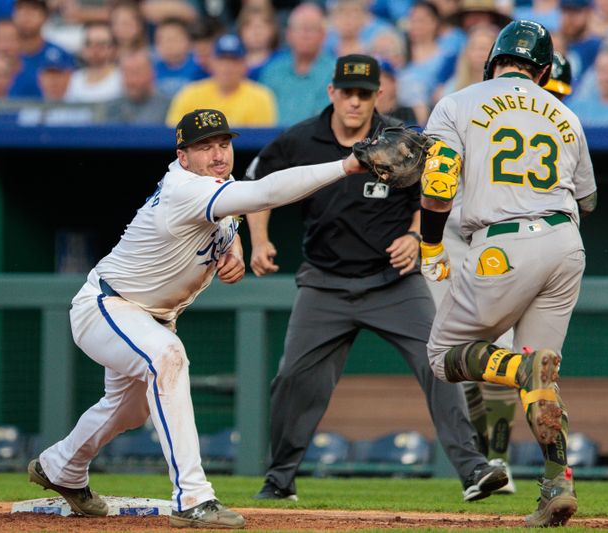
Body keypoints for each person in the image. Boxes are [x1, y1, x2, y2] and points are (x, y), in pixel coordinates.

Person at [28, 107, 370, 529]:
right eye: (204, 146)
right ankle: (193, 497)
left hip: (149, 316)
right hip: (108, 306)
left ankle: (61, 466)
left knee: (129, 411)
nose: (217, 153)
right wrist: (347, 164)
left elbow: (231, 220)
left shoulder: (217, 186)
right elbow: (263, 194)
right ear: (182, 155)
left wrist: (235, 253)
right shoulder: (184, 187)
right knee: (168, 357)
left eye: (223, 144)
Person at [246, 53, 500, 504]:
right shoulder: (300, 139)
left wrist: (415, 234)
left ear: (377, 95)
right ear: (332, 92)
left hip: (393, 282)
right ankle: (279, 479)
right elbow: (258, 188)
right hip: (325, 283)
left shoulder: (398, 138)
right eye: (347, 92)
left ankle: (474, 468)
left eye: (364, 94)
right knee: (292, 379)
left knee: (439, 363)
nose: (355, 101)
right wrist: (259, 241)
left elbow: (436, 192)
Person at [419, 20, 597, 527]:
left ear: (492, 59)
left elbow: (436, 184)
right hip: (566, 244)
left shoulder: (457, 102)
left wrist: (432, 242)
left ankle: (520, 369)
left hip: (503, 243)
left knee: (441, 357)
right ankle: (558, 485)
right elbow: (589, 198)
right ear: (542, 69)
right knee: (543, 370)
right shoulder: (566, 114)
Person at [166, 33, 277, 127]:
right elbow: (174, 135)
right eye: (222, 60)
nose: (227, 67)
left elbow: (262, 141)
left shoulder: (260, 97)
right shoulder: (190, 94)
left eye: (234, 60)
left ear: (244, 64)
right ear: (211, 62)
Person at [258, 2, 337, 126]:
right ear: (288, 34)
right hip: (274, 140)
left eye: (311, 29)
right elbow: (262, 113)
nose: (305, 35)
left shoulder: (335, 71)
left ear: (323, 35)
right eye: (299, 29)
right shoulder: (272, 70)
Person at [13, 0, 75, 98]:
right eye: (21, 9)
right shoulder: (3, 55)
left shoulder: (61, 56)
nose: (27, 16)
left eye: (34, 10)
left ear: (46, 17)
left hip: (47, 111)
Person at [105, 48, 172, 124]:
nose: (132, 80)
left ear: (152, 74)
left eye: (136, 73)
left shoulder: (168, 106)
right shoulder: (112, 108)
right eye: (127, 74)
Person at [64, 21, 123, 103]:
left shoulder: (123, 79)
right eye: (89, 43)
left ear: (114, 49)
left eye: (101, 44)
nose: (94, 49)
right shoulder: (74, 79)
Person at [152, 17, 205, 98]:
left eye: (173, 39)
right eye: (162, 40)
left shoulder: (200, 66)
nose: (168, 45)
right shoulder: (152, 69)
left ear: (188, 41)